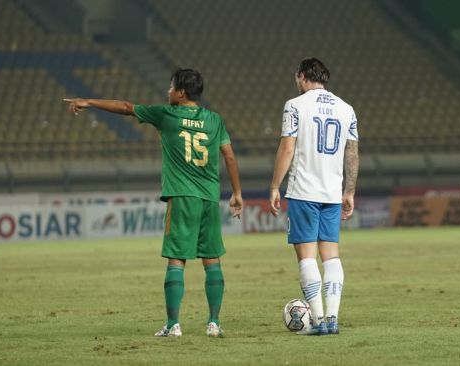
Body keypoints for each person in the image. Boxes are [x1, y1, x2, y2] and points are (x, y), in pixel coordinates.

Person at [63, 68, 243, 338]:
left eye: (171, 87)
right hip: (209, 197)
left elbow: (126, 107)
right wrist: (237, 193)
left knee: (176, 260)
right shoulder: (214, 120)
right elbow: (229, 156)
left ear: (181, 93)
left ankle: (173, 325)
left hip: (182, 196)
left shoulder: (166, 114)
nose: (168, 92)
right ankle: (214, 323)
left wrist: (88, 102)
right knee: (212, 259)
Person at [270, 58, 359, 335]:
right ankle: (332, 318)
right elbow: (352, 153)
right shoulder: (347, 109)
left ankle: (318, 321)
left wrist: (275, 185)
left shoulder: (295, 106)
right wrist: (350, 191)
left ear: (304, 75)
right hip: (332, 193)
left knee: (306, 257)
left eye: (297, 76)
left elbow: (287, 148)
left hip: (303, 191)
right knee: (331, 257)